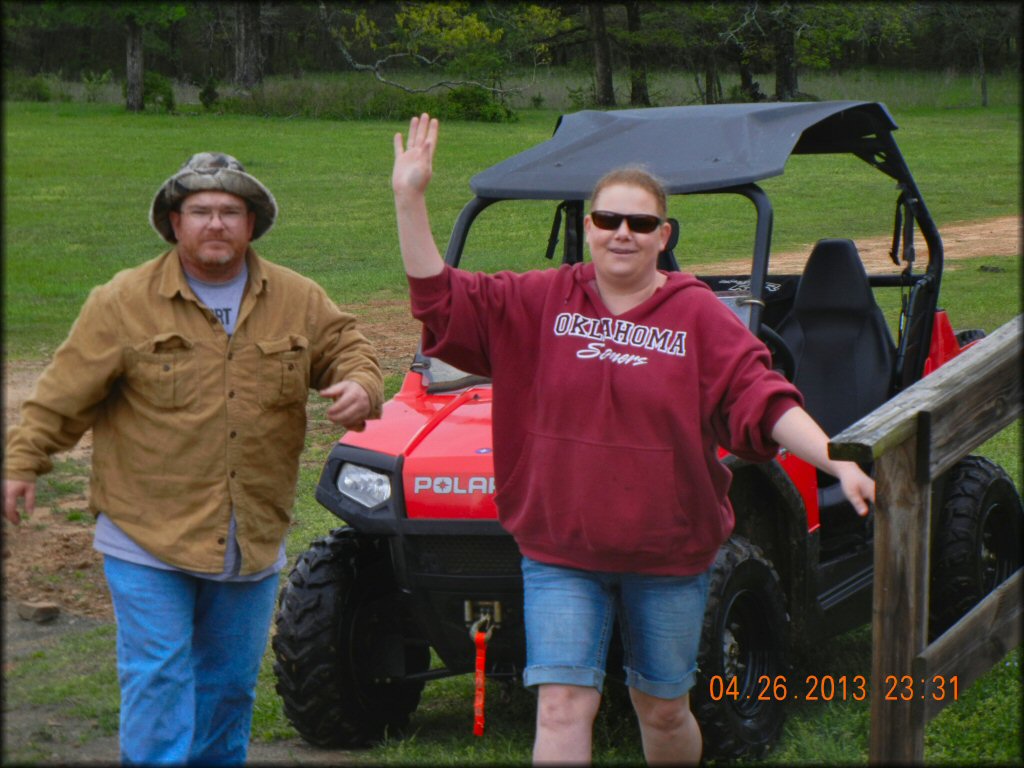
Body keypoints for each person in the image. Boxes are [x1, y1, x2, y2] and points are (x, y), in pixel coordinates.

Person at [391, 114, 875, 764]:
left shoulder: (697, 315)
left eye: (640, 223)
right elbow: (441, 302)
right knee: (561, 707)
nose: (623, 233)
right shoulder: (539, 303)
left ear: (663, 234)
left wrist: (833, 457)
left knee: (665, 710)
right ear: (586, 226)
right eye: (608, 220)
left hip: (669, 557)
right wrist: (410, 199)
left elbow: (760, 397)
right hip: (562, 552)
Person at [3, 152, 384, 765]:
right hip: (146, 530)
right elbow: (62, 394)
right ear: (173, 223)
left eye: (230, 211)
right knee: (158, 676)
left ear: (253, 223)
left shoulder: (298, 298)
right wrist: (23, 463)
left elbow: (347, 344)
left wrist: (361, 384)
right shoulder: (122, 301)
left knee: (229, 688)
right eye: (200, 211)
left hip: (251, 533)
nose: (215, 223)